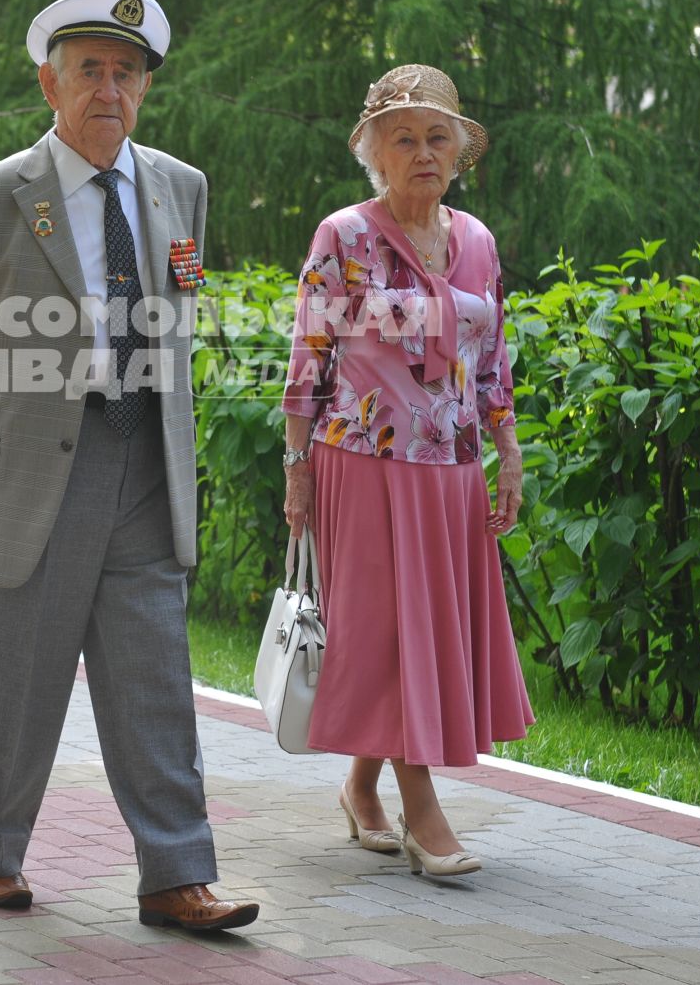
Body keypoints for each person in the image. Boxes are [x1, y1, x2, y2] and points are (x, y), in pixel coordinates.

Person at [0, 0, 258, 932]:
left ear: (145, 86)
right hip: (38, 473)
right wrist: (3, 443)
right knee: (20, 679)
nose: (110, 88)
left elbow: (180, 315)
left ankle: (177, 874)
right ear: (48, 82)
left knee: (155, 676)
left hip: (145, 458)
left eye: (128, 72)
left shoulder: (179, 185)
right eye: (90, 71)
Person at [280, 63, 534, 878]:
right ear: (374, 153)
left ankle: (362, 788)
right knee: (390, 633)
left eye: (438, 137)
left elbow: (490, 359)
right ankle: (422, 808)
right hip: (363, 463)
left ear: (459, 152)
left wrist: (509, 450)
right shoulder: (344, 236)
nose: (424, 152)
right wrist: (295, 466)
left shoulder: (479, 242)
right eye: (404, 138)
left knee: (418, 631)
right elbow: (308, 357)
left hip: (451, 470)